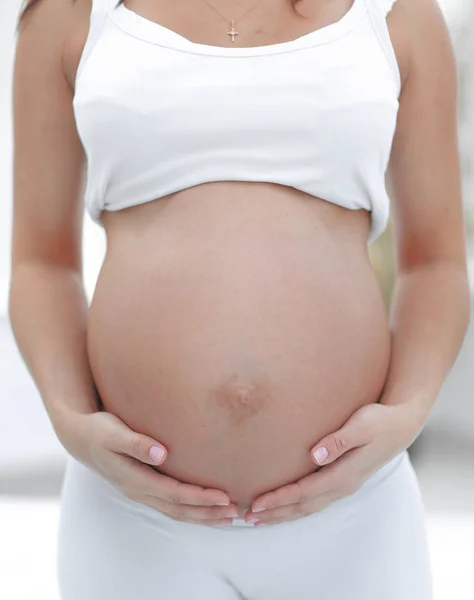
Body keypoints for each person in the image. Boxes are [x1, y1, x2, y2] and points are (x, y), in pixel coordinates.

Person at [9, 0, 469, 597]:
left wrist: (408, 412)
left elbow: (435, 263)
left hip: (353, 512)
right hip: (134, 518)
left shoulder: (396, 15)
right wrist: (70, 420)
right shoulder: (69, 15)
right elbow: (41, 263)